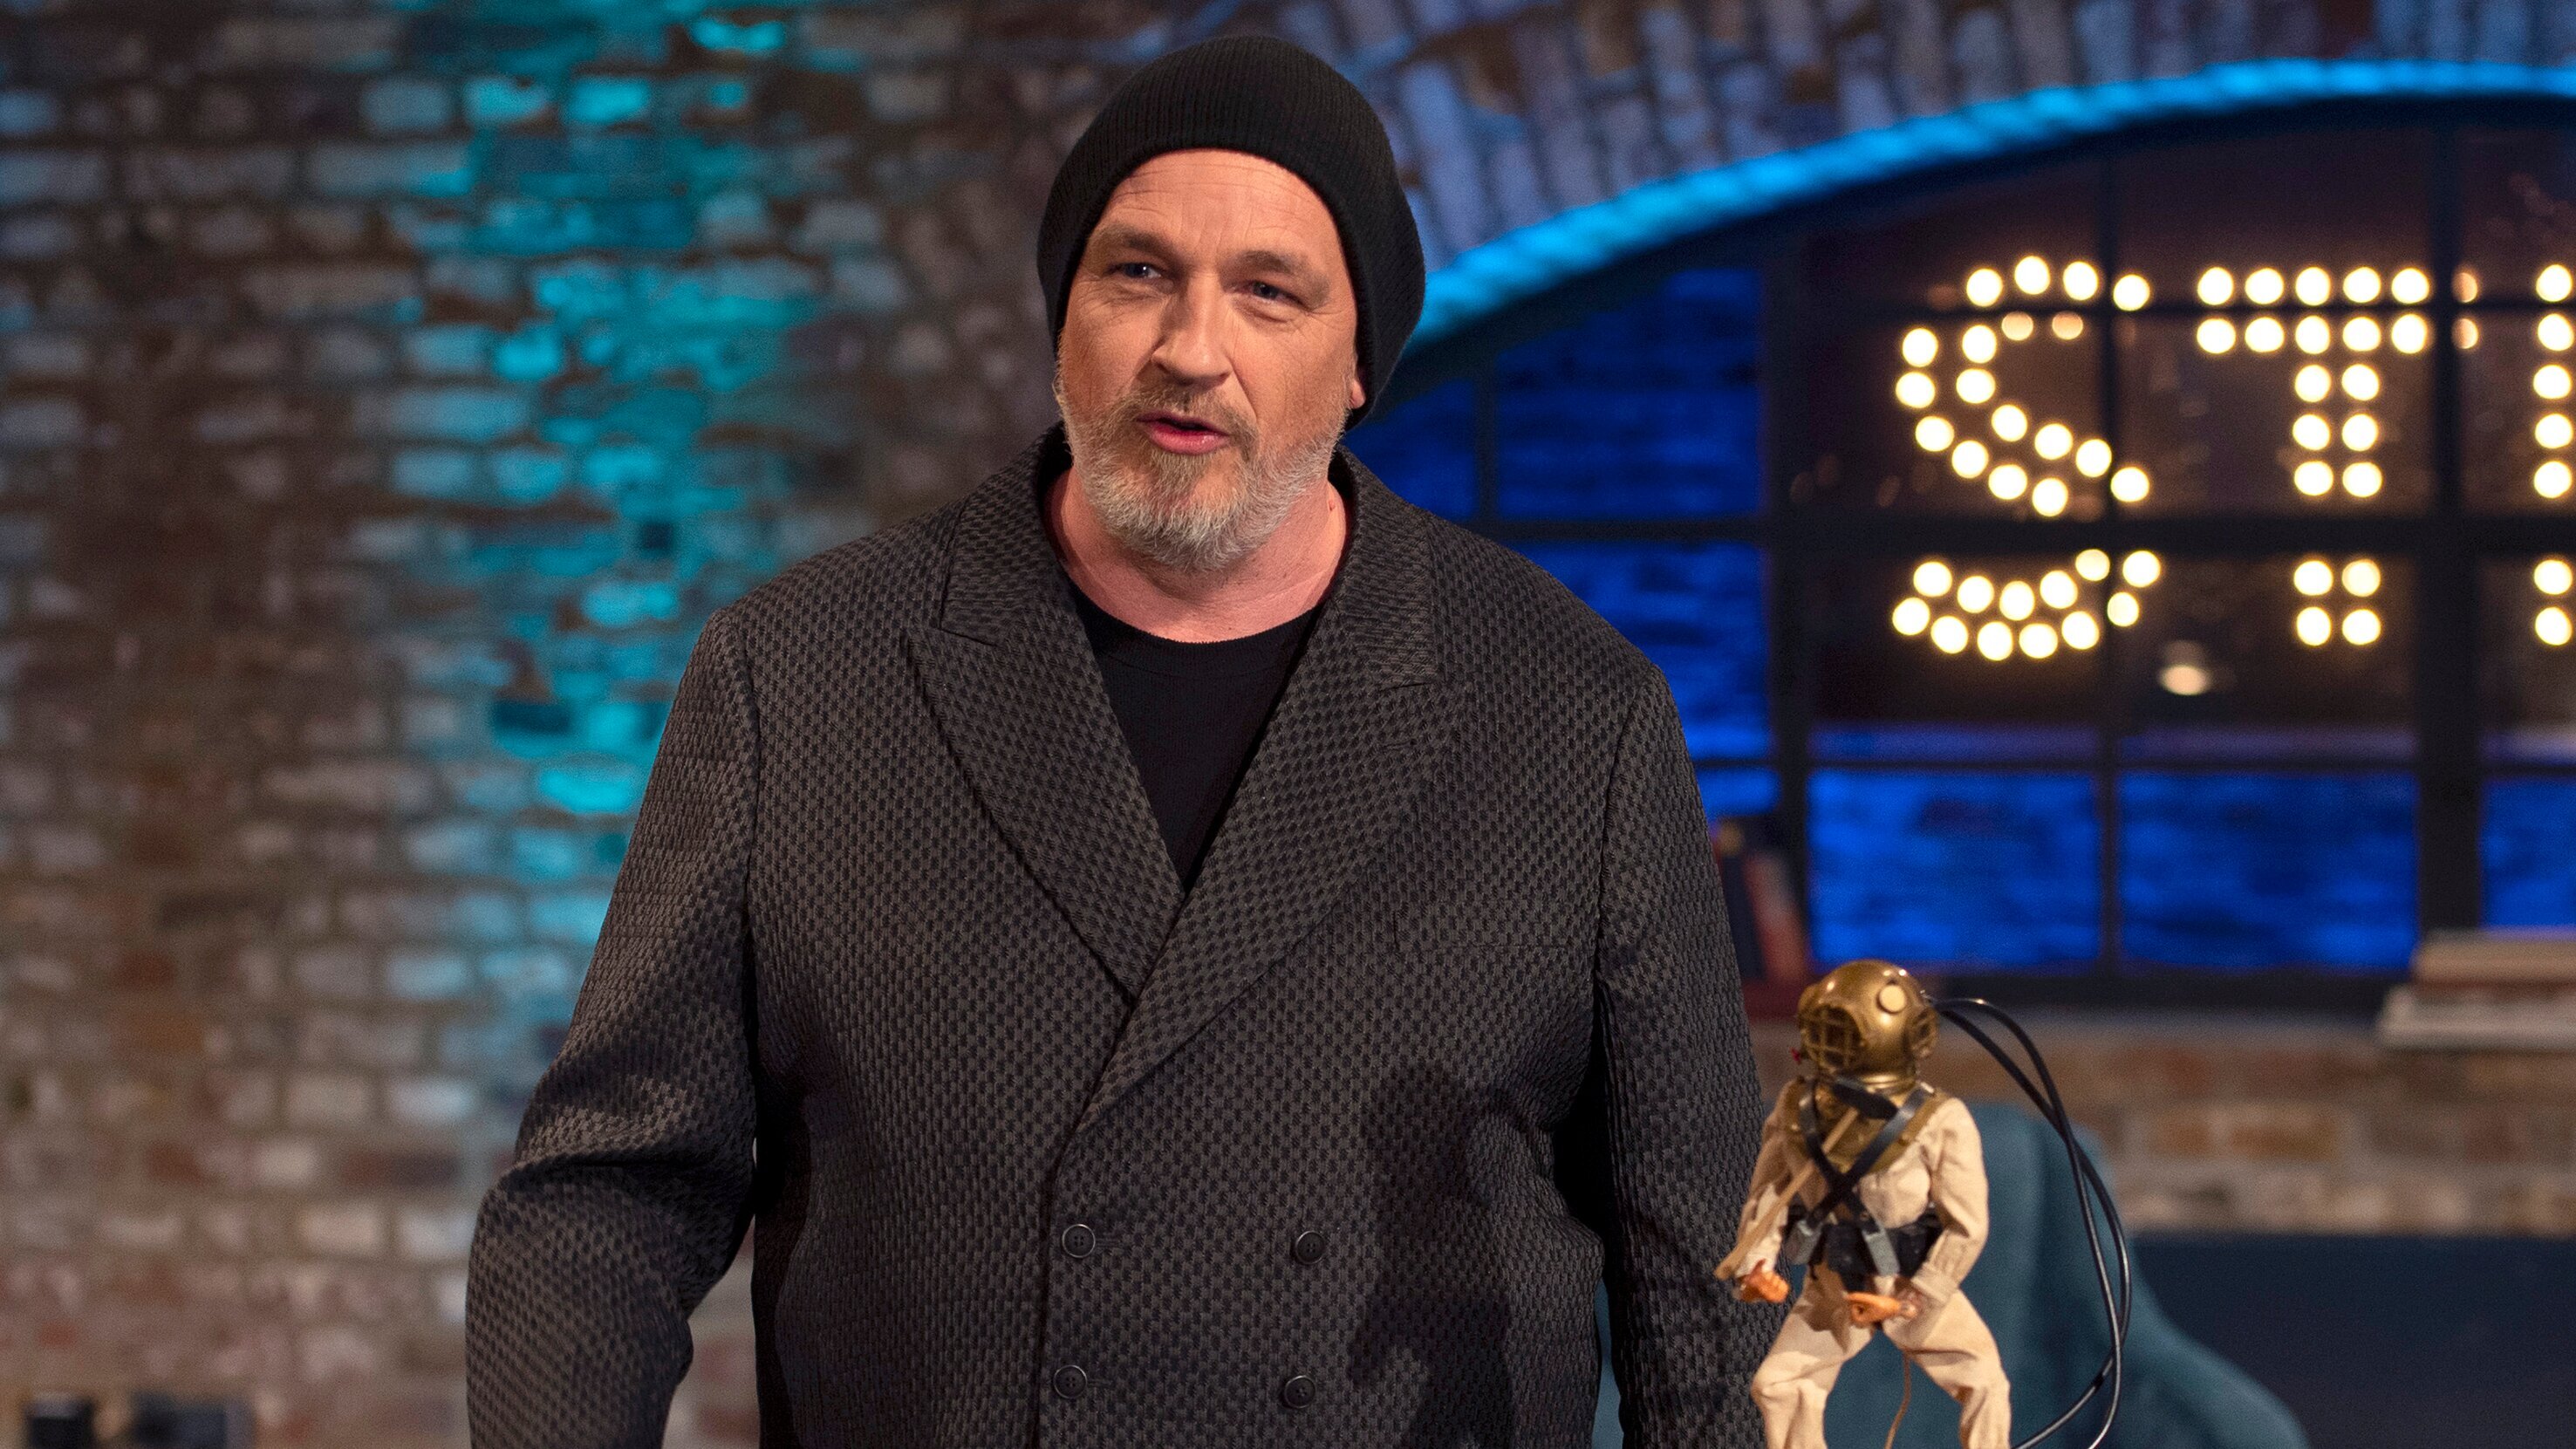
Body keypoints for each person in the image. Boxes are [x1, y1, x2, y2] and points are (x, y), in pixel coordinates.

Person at [465, 33, 1772, 1449]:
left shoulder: (1570, 715)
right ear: (1064, 313)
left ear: (1358, 362)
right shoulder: (804, 676)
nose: (1190, 350)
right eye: (1138, 272)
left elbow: (1703, 1276)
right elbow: (607, 1201)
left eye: (1268, 292)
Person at [1721, 961, 2010, 1449]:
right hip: (1835, 1285)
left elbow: (1967, 1226)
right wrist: (1757, 1264)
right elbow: (1770, 1193)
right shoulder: (1797, 1109)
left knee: (1984, 1383)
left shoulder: (1939, 1121)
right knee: (1778, 1385)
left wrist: (1909, 1301)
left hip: (1909, 1280)